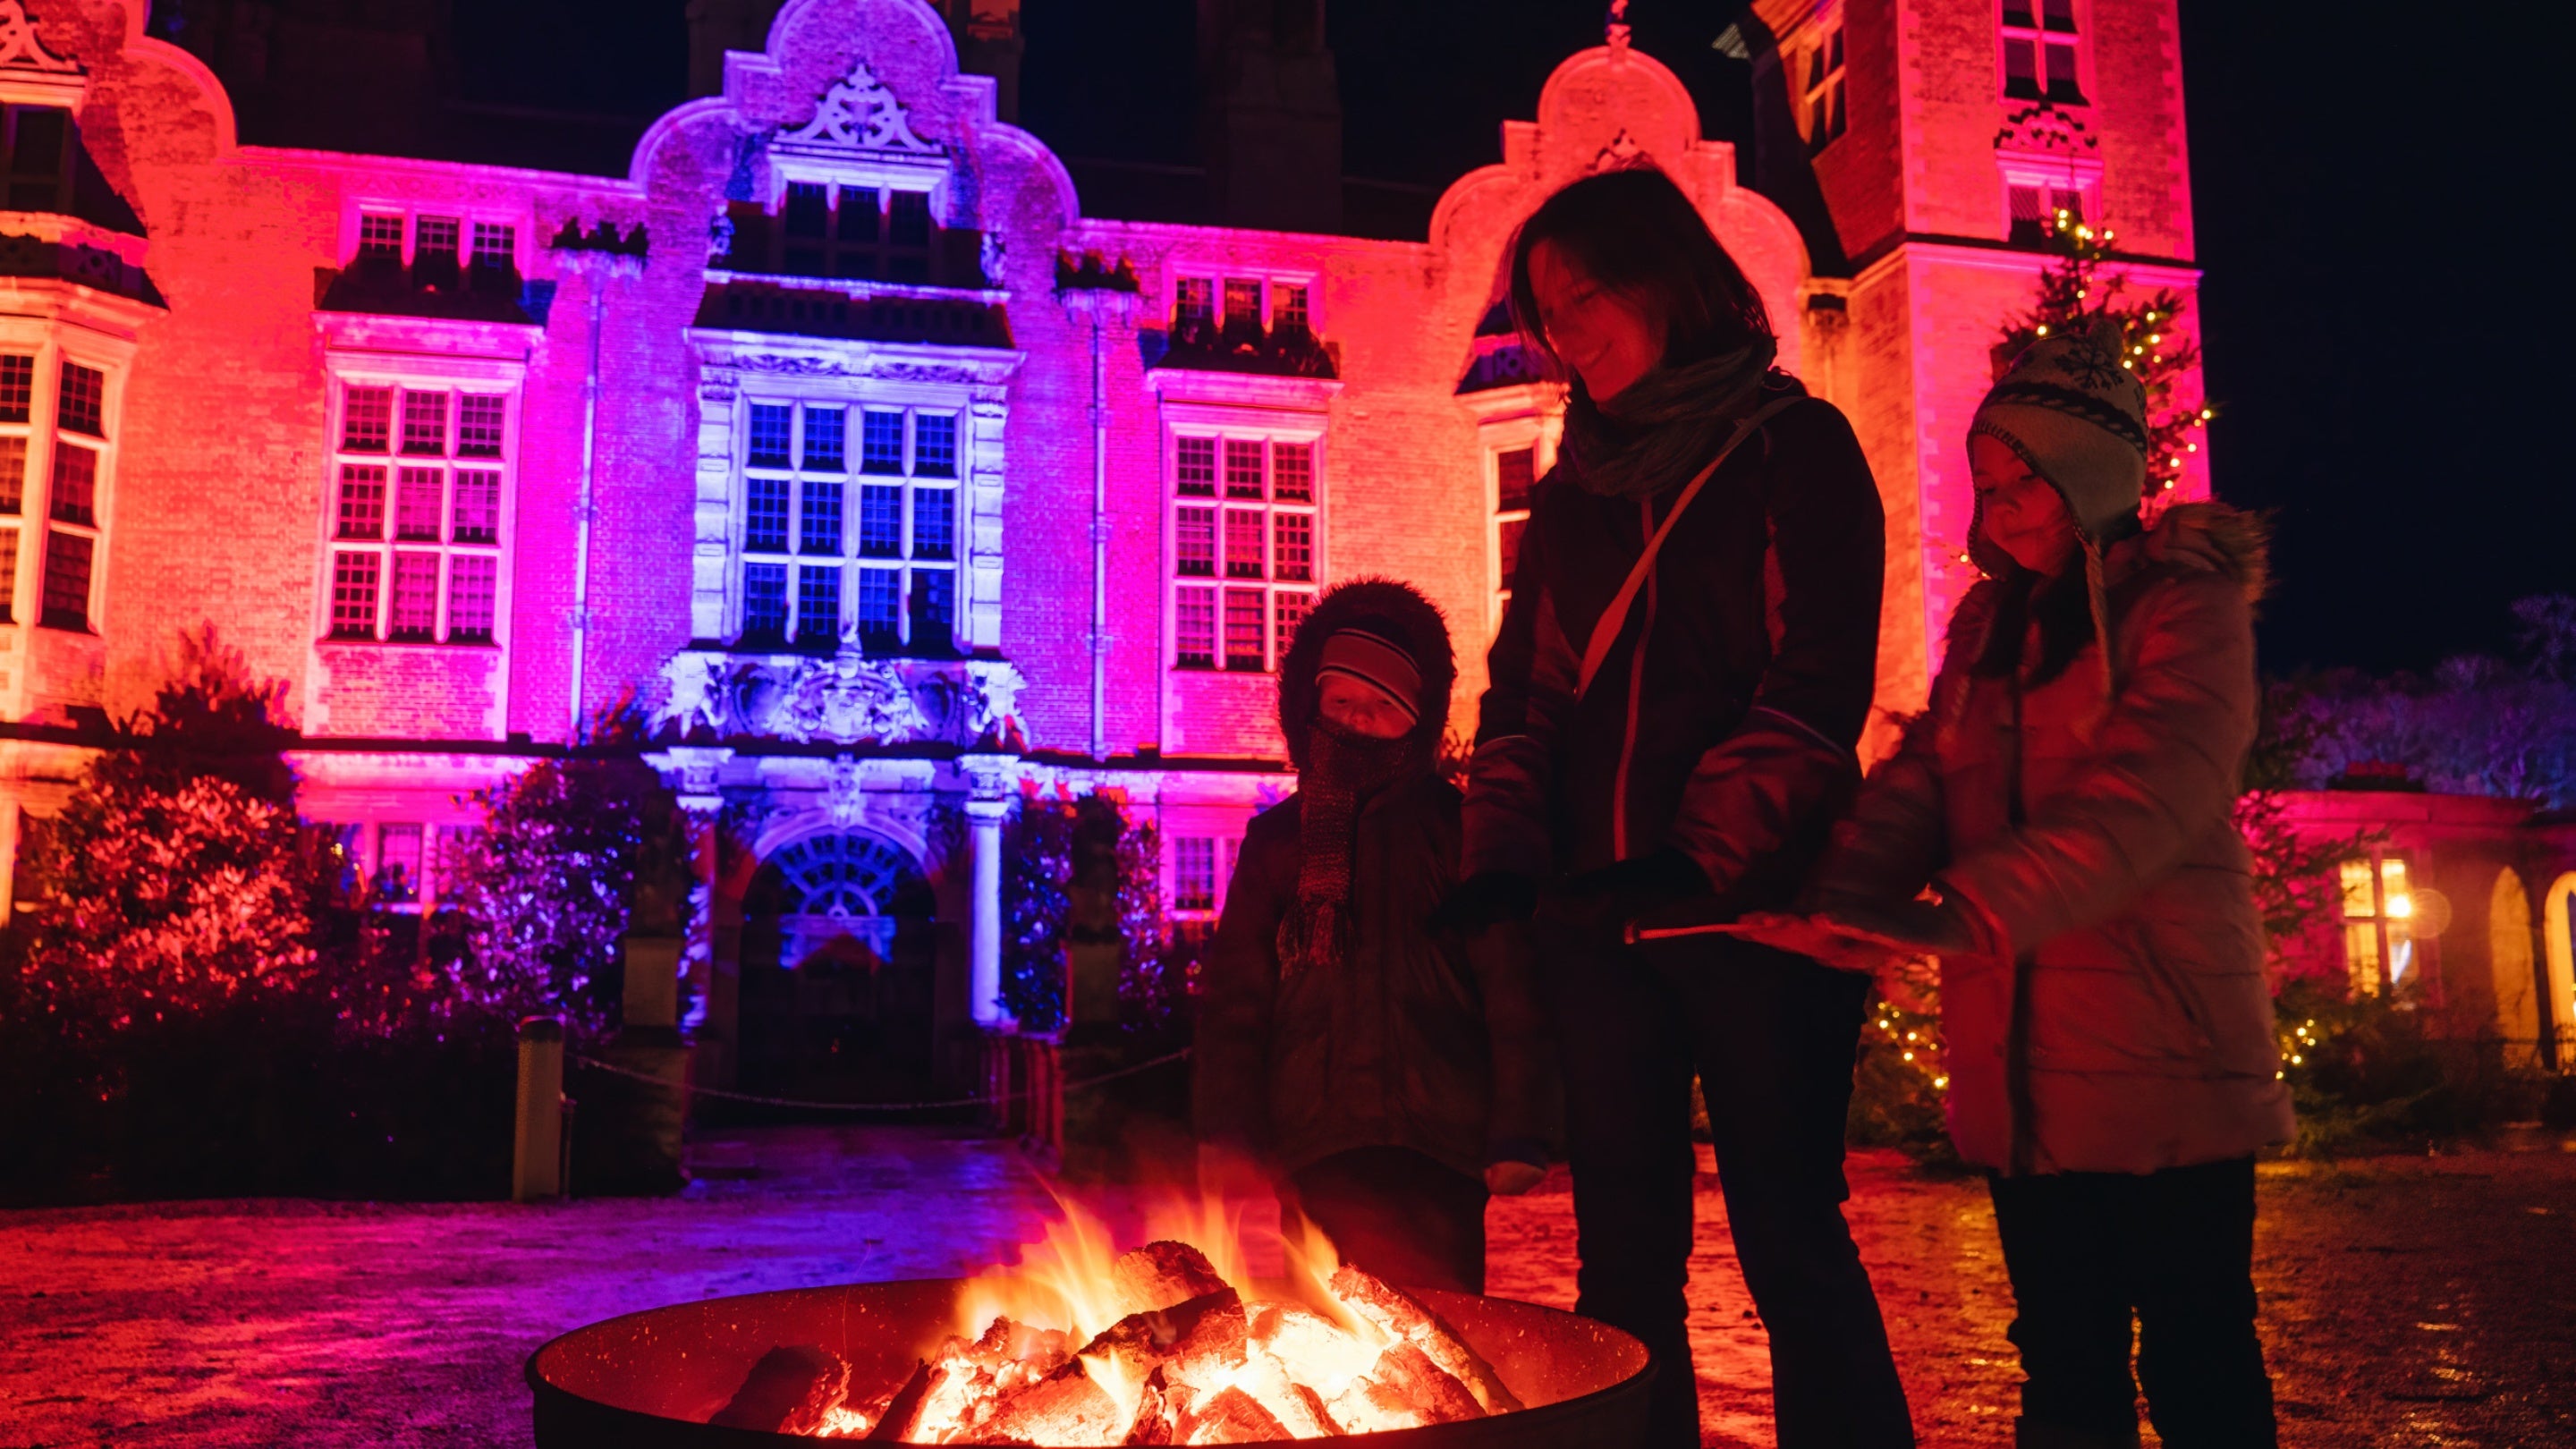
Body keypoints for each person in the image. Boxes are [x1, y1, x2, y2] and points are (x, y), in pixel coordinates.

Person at [1738, 318, 2294, 1449]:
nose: (1993, 510)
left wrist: (1962, 909)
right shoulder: (1991, 622)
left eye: (2019, 484)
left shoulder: (2185, 607)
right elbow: (1926, 779)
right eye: (1984, 484)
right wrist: (1848, 893)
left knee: (2198, 1350)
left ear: (2087, 474)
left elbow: (2148, 801)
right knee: (2062, 1358)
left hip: (2165, 1053)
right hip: (2022, 1075)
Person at [1436, 166, 1913, 1446]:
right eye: (1545, 309)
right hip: (1602, 923)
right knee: (1625, 1271)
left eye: (1585, 296)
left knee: (1790, 1245)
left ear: (1668, 283)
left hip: (1756, 922)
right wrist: (1502, 852)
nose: (1563, 332)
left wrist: (1700, 857)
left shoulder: (1794, 450)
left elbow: (1814, 682)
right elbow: (1527, 689)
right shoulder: (1575, 490)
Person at [1194, 578, 1549, 1294]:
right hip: (1312, 1135)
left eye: (1384, 708)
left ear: (1416, 721)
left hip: (1436, 1139)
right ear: (1312, 707)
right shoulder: (1276, 843)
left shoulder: (1459, 832)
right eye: (1343, 703)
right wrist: (1227, 1141)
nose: (1359, 720)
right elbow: (1235, 1005)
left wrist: (1521, 1128)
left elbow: (1512, 987)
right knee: (1320, 1329)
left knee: (1437, 1322)